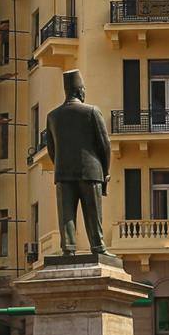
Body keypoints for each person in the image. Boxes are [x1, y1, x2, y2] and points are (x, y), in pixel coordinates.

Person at [46, 69, 113, 255]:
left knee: (66, 215)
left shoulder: (53, 116)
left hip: (63, 173)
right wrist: (105, 171)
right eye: (83, 89)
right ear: (79, 91)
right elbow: (105, 145)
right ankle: (98, 247)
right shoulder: (92, 111)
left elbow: (51, 149)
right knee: (93, 213)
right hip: (91, 171)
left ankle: (68, 248)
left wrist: (61, 164)